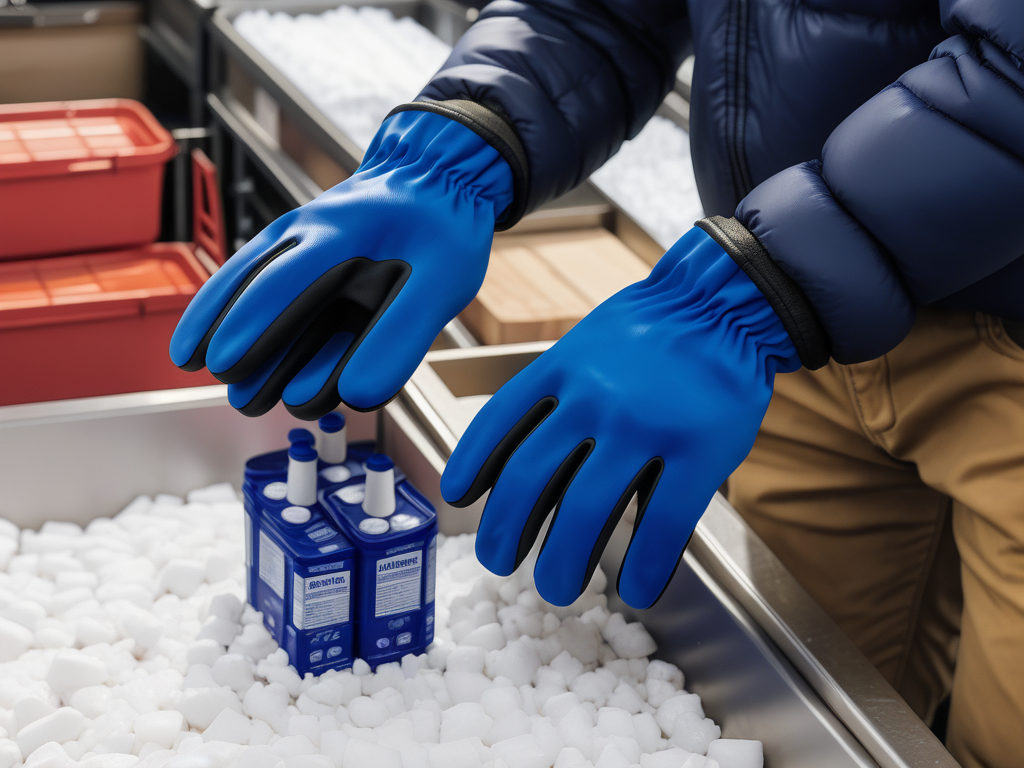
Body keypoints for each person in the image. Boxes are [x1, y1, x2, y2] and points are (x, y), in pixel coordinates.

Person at [170, 2, 1024, 764]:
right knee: (804, 713)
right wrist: (465, 139)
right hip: (798, 337)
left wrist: (752, 290)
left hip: (958, 322)